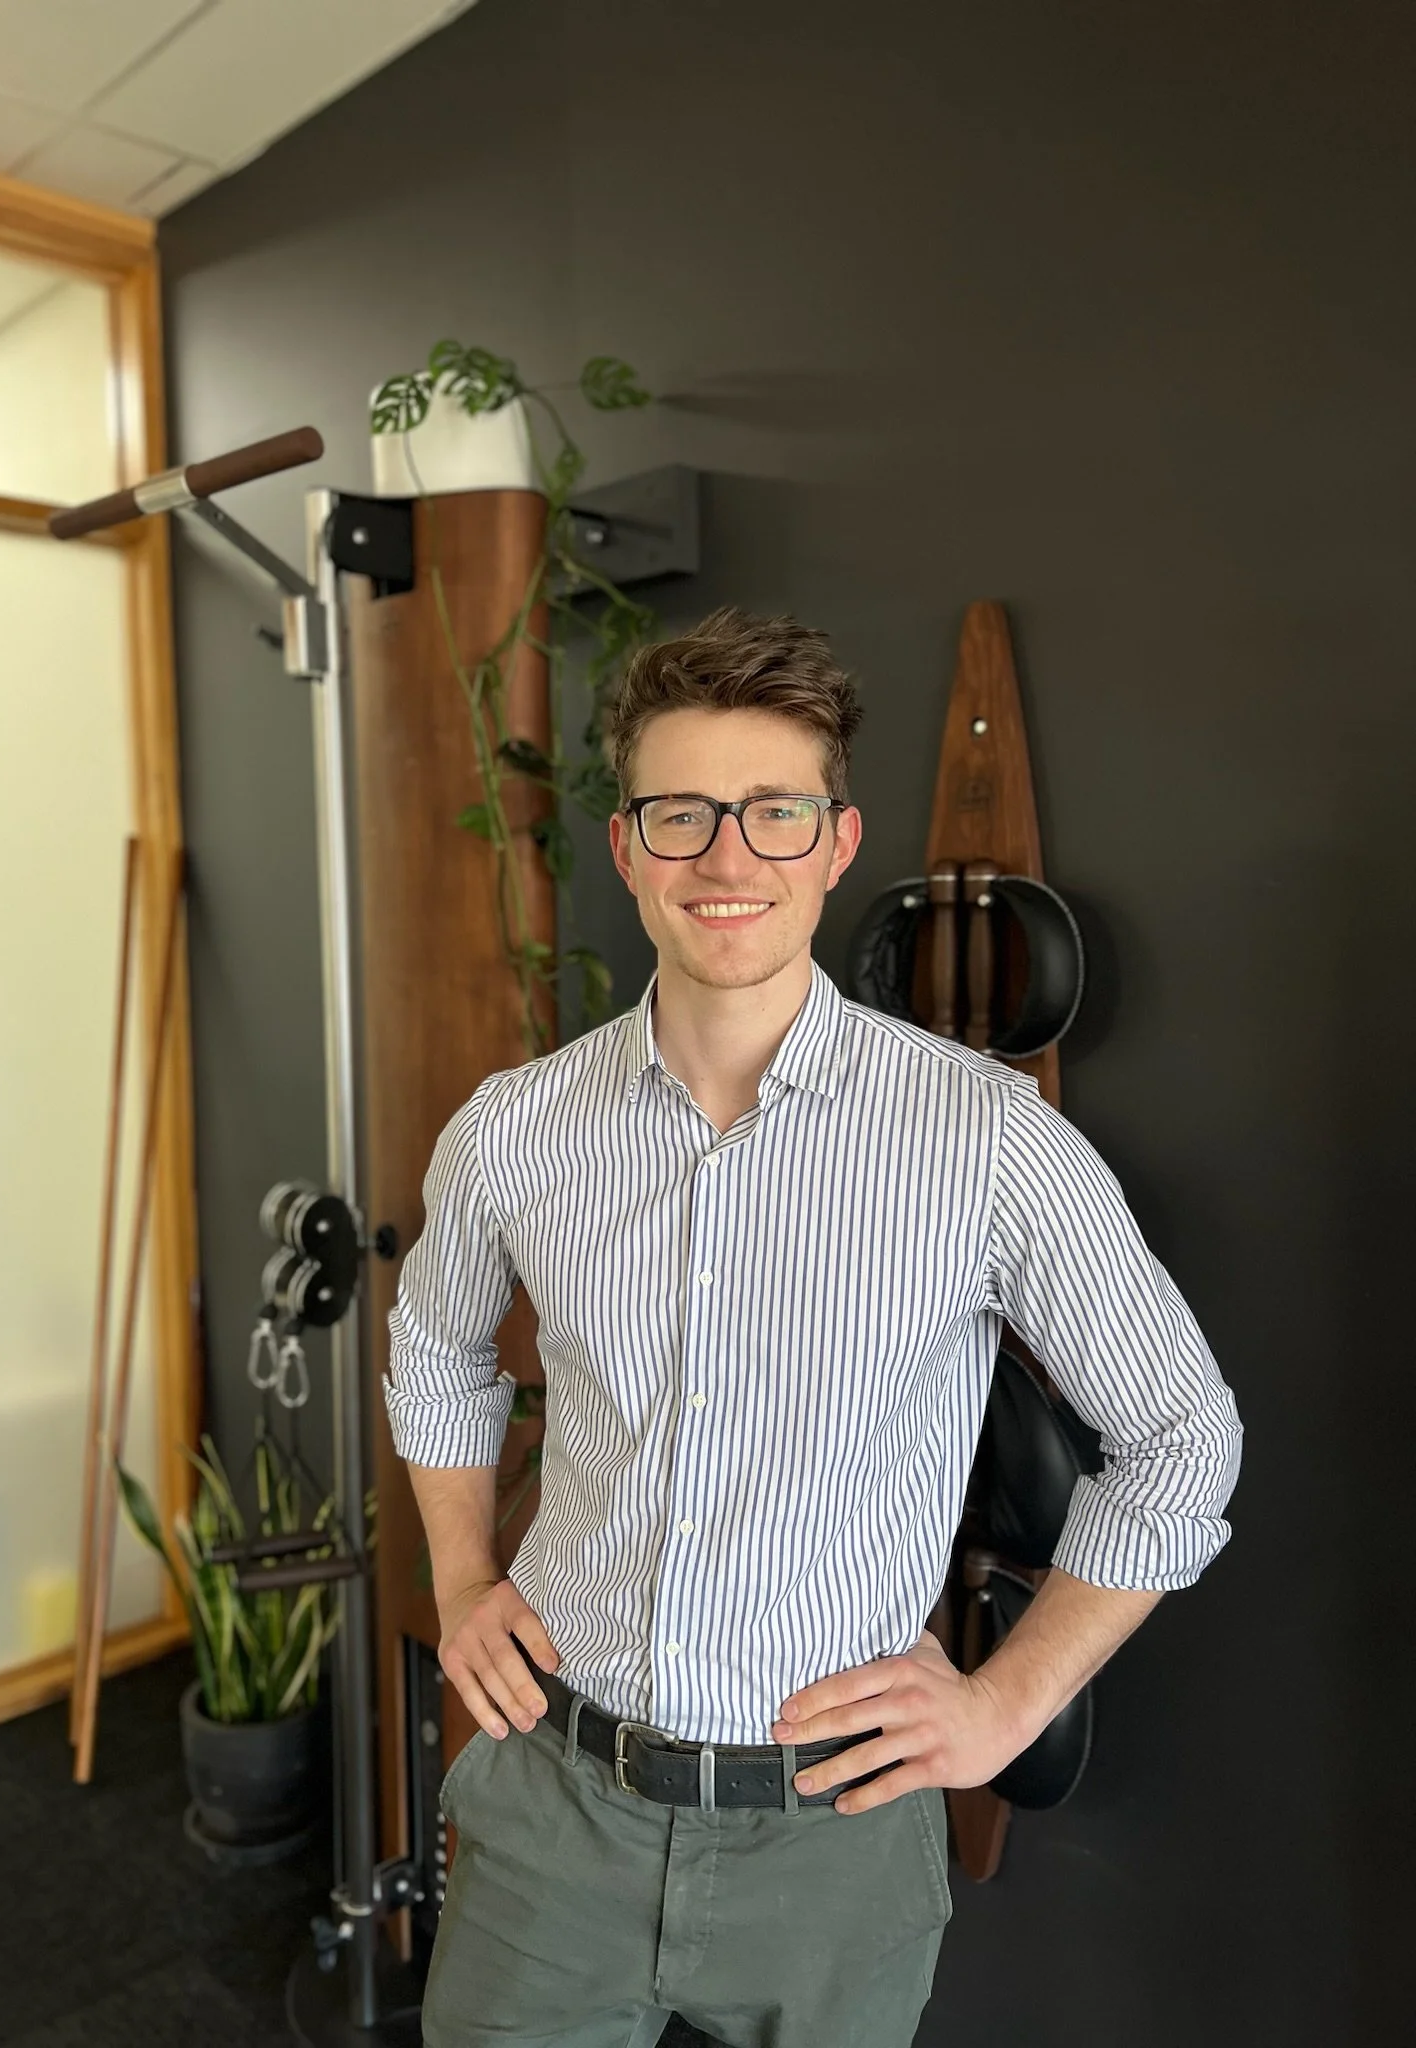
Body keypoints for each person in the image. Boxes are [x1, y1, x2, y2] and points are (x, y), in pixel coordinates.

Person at [384, 608, 1242, 2048]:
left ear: (836, 845)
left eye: (775, 813)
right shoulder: (515, 1131)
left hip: (833, 1844)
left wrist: (1003, 1705)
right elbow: (436, 1351)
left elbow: (1180, 1440)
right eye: (683, 815)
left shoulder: (986, 1143)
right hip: (553, 1807)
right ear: (627, 848)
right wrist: (464, 1573)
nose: (728, 859)